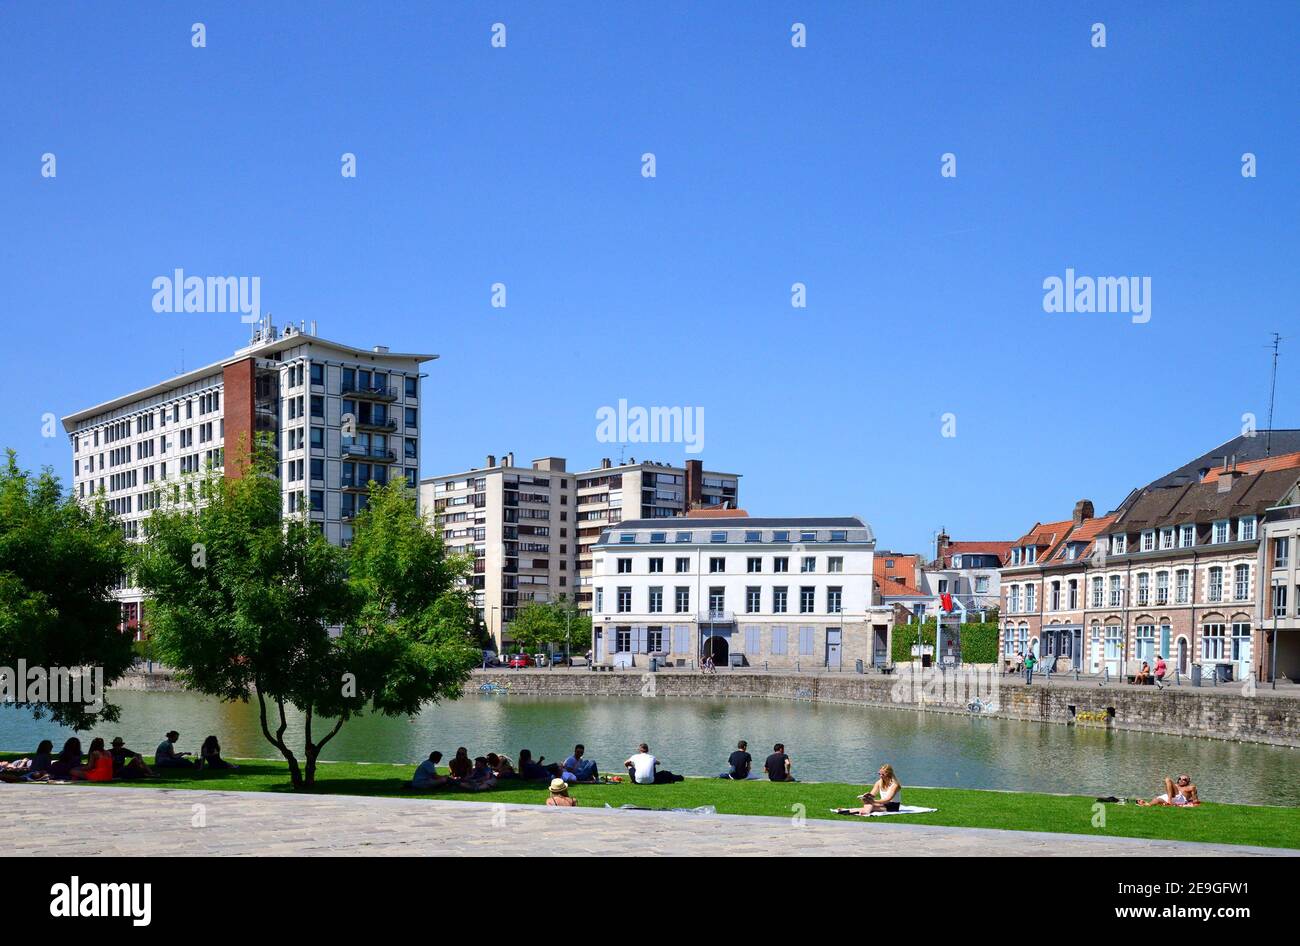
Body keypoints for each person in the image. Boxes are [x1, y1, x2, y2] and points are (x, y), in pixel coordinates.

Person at [836, 764, 903, 815]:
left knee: (870, 806)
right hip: (883, 804)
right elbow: (872, 795)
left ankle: (850, 811)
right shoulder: (879, 782)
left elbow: (887, 799)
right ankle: (850, 811)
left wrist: (873, 801)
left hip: (893, 806)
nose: (880, 776)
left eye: (883, 774)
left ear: (888, 774)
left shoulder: (895, 785)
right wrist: (867, 796)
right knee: (868, 804)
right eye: (879, 774)